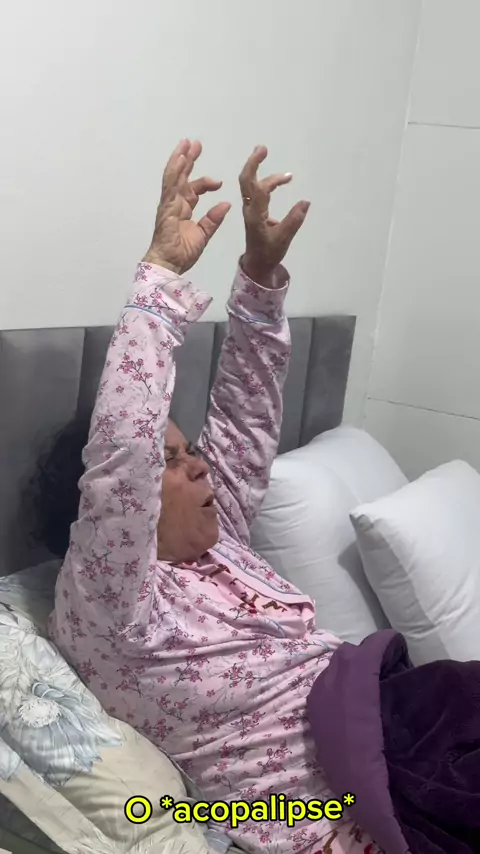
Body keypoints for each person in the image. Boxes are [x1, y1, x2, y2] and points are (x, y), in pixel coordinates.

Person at [48, 140, 380, 854]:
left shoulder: (216, 539)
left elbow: (245, 418)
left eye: (190, 450)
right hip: (338, 822)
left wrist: (258, 278)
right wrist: (160, 275)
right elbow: (123, 448)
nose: (198, 466)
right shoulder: (116, 607)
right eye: (171, 461)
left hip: (386, 718)